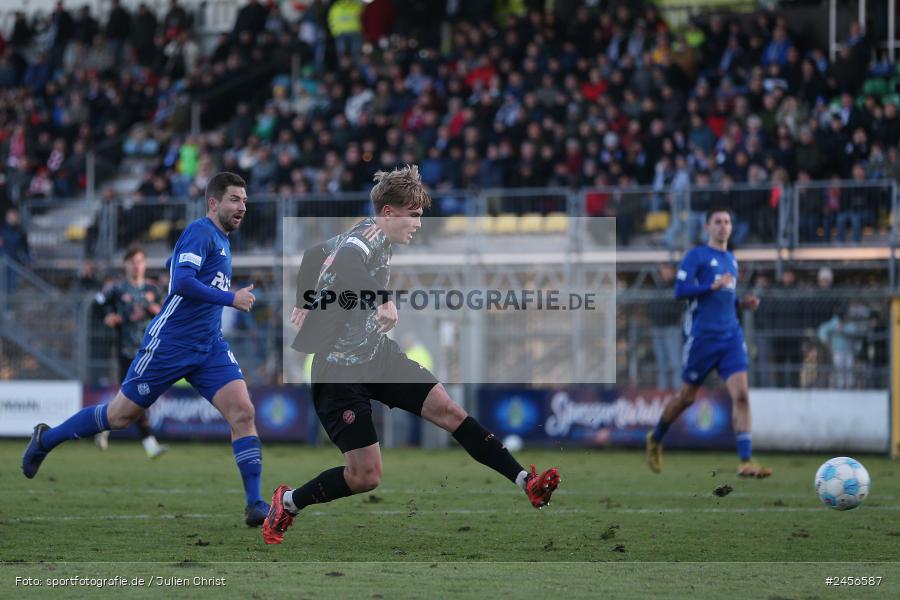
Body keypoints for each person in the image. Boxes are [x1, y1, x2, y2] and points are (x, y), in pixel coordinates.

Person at [262, 165, 560, 545]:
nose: (419, 224)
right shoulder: (366, 238)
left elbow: (314, 253)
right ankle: (287, 503)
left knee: (450, 411)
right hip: (337, 372)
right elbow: (349, 262)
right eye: (414, 215)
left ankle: (526, 482)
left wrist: (306, 299)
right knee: (365, 477)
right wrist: (382, 297)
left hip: (377, 357)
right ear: (389, 213)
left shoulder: (373, 237)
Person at [22, 172, 271, 526]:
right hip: (169, 343)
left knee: (243, 413)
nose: (242, 206)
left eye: (245, 200)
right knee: (119, 417)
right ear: (213, 203)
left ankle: (255, 504)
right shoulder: (201, 231)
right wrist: (230, 298)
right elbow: (182, 282)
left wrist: (178, 266)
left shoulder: (221, 239)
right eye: (235, 199)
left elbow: (177, 268)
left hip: (209, 346)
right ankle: (46, 439)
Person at [645, 207, 772, 478]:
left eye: (727, 222)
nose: (723, 226)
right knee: (686, 398)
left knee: (741, 395)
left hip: (731, 337)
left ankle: (746, 460)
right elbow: (680, 292)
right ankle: (655, 438)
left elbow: (723, 300)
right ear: (707, 227)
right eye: (718, 222)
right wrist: (710, 286)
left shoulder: (732, 260)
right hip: (702, 339)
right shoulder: (696, 256)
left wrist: (741, 303)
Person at [93, 245, 168, 458]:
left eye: (140, 261)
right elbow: (97, 304)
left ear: (145, 265)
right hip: (127, 351)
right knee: (138, 395)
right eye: (132, 261)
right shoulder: (117, 289)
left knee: (130, 398)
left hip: (150, 351)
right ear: (125, 264)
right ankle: (149, 443)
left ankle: (103, 426)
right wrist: (108, 316)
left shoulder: (153, 290)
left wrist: (158, 312)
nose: (136, 266)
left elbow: (168, 313)